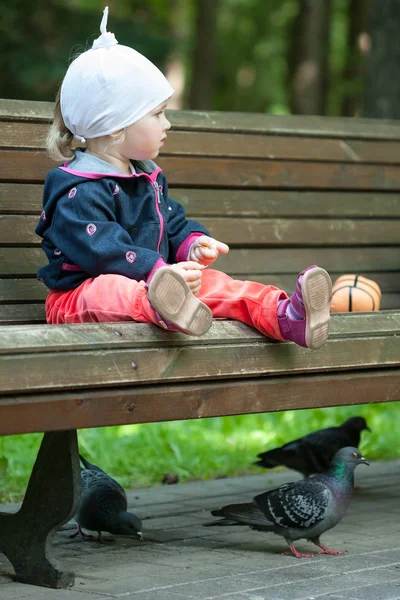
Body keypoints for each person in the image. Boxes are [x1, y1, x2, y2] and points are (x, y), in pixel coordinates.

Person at [36, 7, 332, 350]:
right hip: (76, 299)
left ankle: (286, 315)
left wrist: (192, 245)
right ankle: (163, 304)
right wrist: (158, 273)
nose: (167, 124)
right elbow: (105, 252)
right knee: (109, 289)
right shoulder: (78, 190)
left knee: (217, 283)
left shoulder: (145, 176)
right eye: (158, 114)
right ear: (115, 126)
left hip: (157, 281)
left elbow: (171, 222)